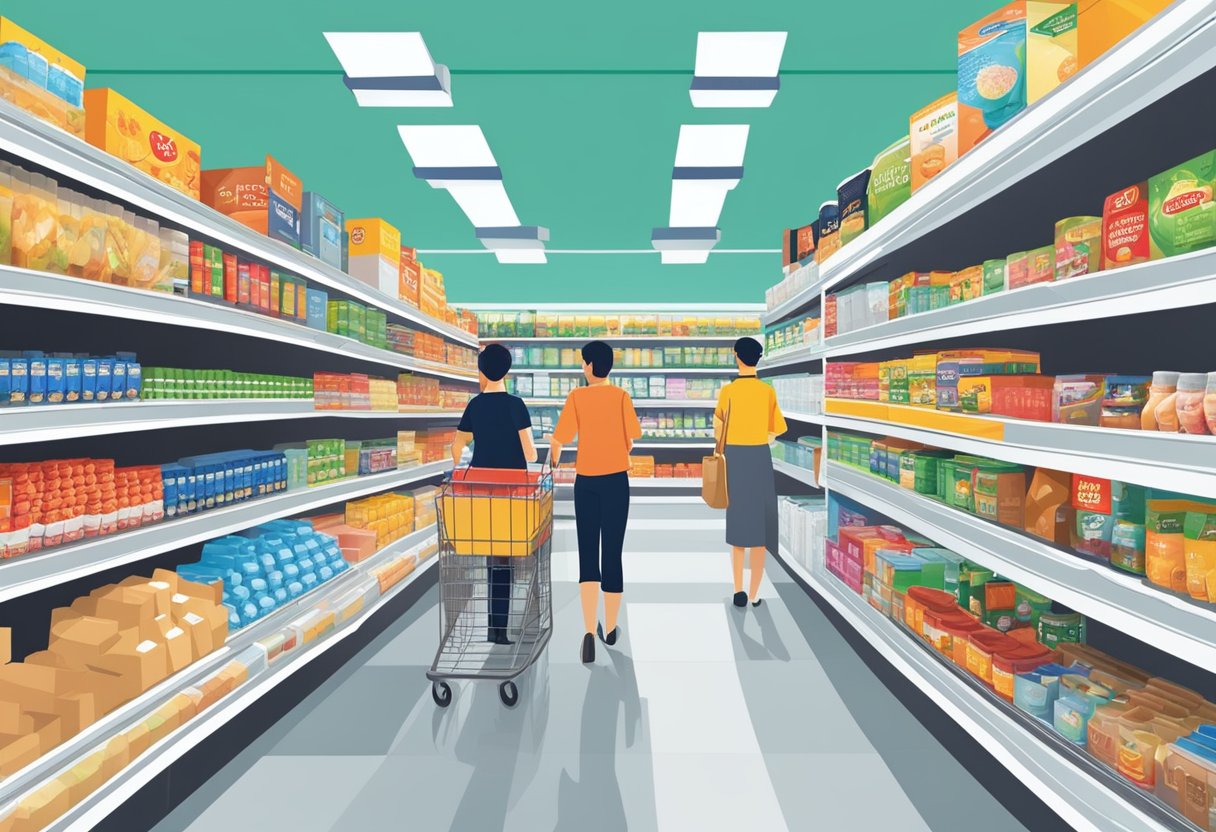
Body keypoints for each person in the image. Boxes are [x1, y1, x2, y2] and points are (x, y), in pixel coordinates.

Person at [548, 341, 642, 664]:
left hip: (586, 482)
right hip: (616, 481)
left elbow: (559, 440)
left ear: (589, 366)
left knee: (588, 553)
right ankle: (611, 628)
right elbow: (631, 440)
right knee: (612, 553)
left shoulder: (577, 397)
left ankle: (589, 632)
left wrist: (553, 461)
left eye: (583, 363)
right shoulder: (621, 397)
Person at [450, 343, 537, 645]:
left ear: (482, 372)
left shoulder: (475, 406)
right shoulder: (516, 405)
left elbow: (456, 447)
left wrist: (463, 463)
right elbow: (530, 453)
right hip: (511, 492)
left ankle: (493, 627)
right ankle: (500, 628)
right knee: (505, 555)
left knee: (492, 555)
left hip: (482, 491)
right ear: (507, 371)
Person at [714, 337, 788, 608]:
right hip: (759, 457)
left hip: (735, 458)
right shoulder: (767, 391)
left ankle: (738, 590)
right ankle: (755, 593)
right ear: (758, 358)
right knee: (759, 529)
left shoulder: (728, 391)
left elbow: (718, 429)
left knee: (738, 524)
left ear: (737, 356)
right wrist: (760, 437)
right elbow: (778, 428)